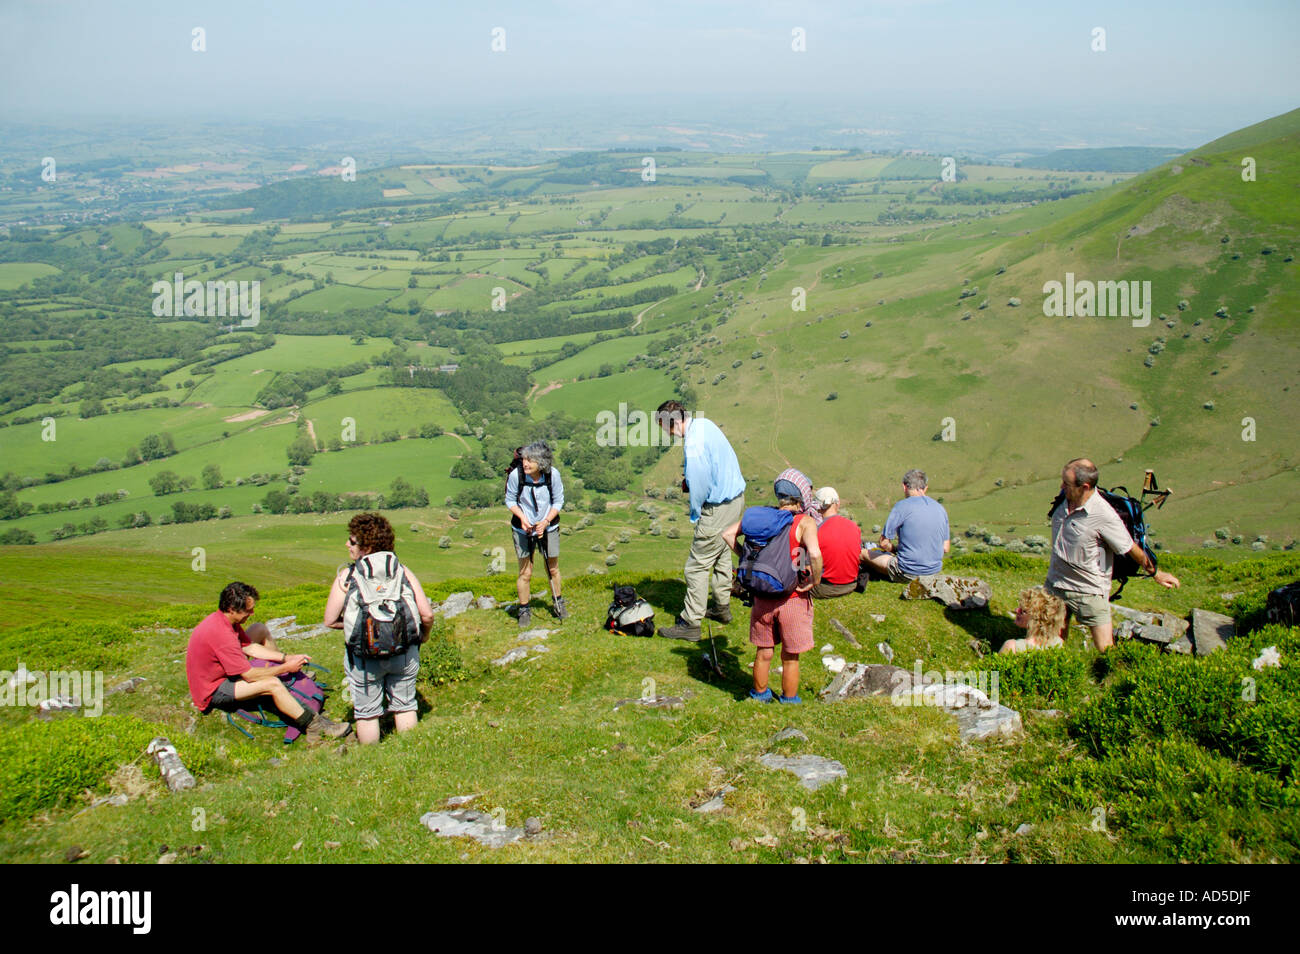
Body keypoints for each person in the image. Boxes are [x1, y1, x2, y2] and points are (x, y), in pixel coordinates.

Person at [186, 581, 350, 740]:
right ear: (231, 609)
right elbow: (249, 675)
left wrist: (286, 658)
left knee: (258, 628)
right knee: (272, 684)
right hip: (214, 689)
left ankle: (290, 681)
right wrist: (285, 668)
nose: (251, 614)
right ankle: (314, 726)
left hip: (222, 674)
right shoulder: (222, 634)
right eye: (247, 611)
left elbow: (249, 647)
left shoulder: (226, 621)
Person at [324, 512, 435, 744]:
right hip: (404, 652)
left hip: (364, 658)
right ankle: (409, 753)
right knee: (405, 706)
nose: (347, 544)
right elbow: (426, 614)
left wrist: (360, 628)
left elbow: (329, 619)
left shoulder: (348, 576)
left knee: (366, 713)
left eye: (352, 541)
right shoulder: (402, 571)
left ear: (367, 546)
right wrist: (422, 637)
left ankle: (370, 759)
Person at [1047, 458, 1180, 651]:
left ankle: (1113, 679)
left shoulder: (1104, 515)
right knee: (1051, 646)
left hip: (1089, 592)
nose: (1061, 486)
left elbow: (1130, 548)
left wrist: (1156, 574)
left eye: (1066, 483)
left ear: (1084, 487)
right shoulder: (1064, 499)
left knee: (1106, 650)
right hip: (1055, 585)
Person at [722, 477, 823, 703]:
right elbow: (814, 554)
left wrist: (748, 559)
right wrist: (815, 580)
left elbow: (728, 535)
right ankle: (789, 699)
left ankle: (759, 695)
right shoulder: (804, 522)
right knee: (790, 656)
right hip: (793, 597)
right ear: (802, 496)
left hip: (762, 597)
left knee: (764, 651)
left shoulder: (763, 517)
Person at [654, 400, 746, 640]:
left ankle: (690, 623)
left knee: (696, 566)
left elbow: (699, 484)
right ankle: (721, 608)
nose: (666, 432)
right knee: (722, 551)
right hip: (735, 500)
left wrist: (695, 511)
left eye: (665, 427)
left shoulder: (692, 443)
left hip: (717, 506)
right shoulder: (705, 424)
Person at [504, 441, 568, 628]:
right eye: (524, 459)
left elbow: (558, 501)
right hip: (522, 528)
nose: (526, 463)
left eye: (530, 460)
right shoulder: (517, 475)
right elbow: (510, 500)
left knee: (552, 568)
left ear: (542, 462)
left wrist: (546, 521)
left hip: (548, 527)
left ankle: (559, 603)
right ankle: (524, 609)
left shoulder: (552, 475)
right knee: (525, 572)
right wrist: (523, 519)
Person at [864, 469, 950, 582]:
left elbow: (884, 543)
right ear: (926, 488)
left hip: (907, 571)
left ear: (904, 487)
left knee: (862, 553)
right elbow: (946, 548)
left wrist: (894, 549)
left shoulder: (901, 506)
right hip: (934, 572)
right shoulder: (940, 508)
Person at [808, 486, 867, 599]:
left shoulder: (816, 531)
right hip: (851, 585)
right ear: (837, 504)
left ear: (819, 507)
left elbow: (808, 564)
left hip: (824, 588)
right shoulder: (854, 527)